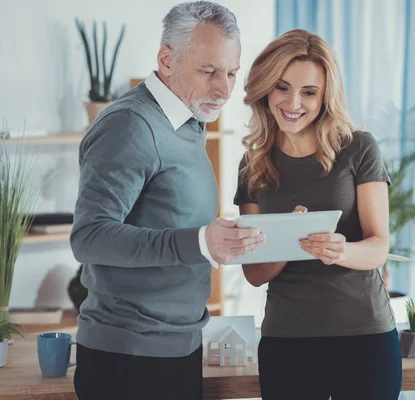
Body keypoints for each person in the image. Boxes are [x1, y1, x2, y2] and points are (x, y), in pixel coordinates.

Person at [69, 2, 264, 400]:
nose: (225, 89)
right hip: (128, 361)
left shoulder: (188, 123)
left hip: (178, 350)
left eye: (231, 72)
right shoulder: (131, 125)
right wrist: (198, 242)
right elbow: (89, 237)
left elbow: (170, 221)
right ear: (166, 60)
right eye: (209, 71)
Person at [234, 29, 402, 400]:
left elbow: (378, 246)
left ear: (325, 95)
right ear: (265, 87)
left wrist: (339, 249)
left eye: (309, 92)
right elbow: (254, 273)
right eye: (282, 87)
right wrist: (287, 239)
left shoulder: (358, 148)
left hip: (365, 337)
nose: (294, 102)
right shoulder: (254, 164)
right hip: (287, 341)